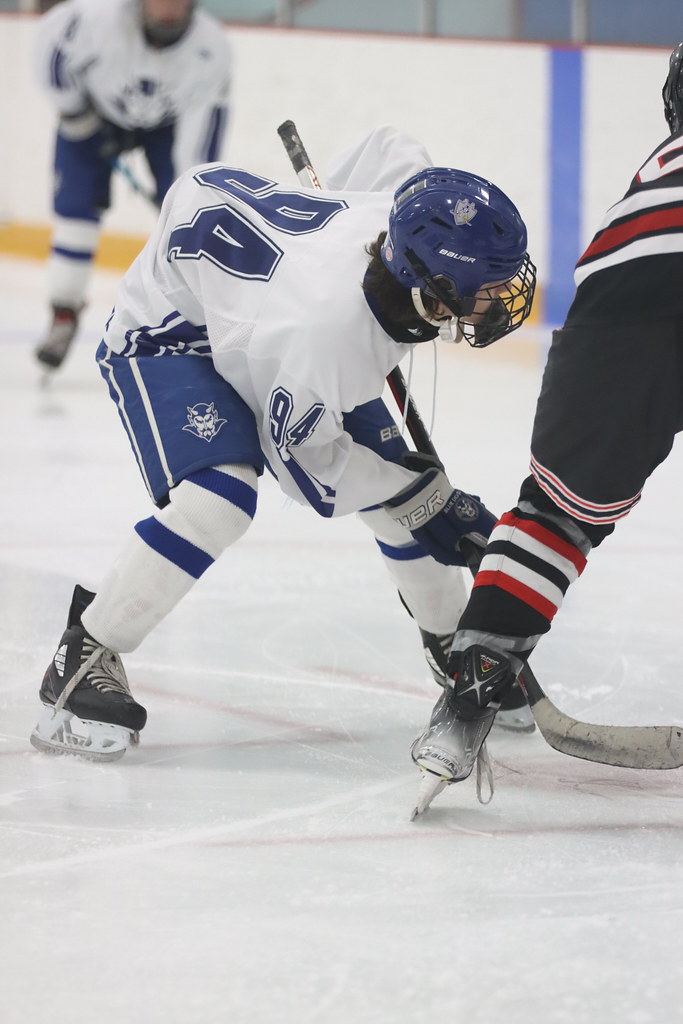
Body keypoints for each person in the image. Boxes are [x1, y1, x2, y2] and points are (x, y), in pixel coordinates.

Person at [29, 126, 537, 762]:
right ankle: (84, 657)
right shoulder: (319, 334)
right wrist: (420, 497)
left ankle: (458, 656)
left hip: (252, 309)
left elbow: (391, 145)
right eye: (487, 285)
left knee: (400, 480)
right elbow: (309, 472)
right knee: (220, 500)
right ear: (431, 290)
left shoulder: (400, 215)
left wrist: (412, 493)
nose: (502, 297)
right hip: (173, 335)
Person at [411, 44, 683, 793]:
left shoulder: (654, 173)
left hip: (621, 289)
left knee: (556, 515)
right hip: (631, 288)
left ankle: (466, 701)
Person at [33, 0, 232, 371]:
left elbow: (202, 136)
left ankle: (196, 317)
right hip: (94, 112)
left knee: (190, 216)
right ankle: (63, 314)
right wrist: (75, 112)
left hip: (166, 128)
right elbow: (51, 50)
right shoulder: (96, 18)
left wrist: (188, 191)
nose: (168, 7)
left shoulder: (211, 48)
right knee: (75, 213)